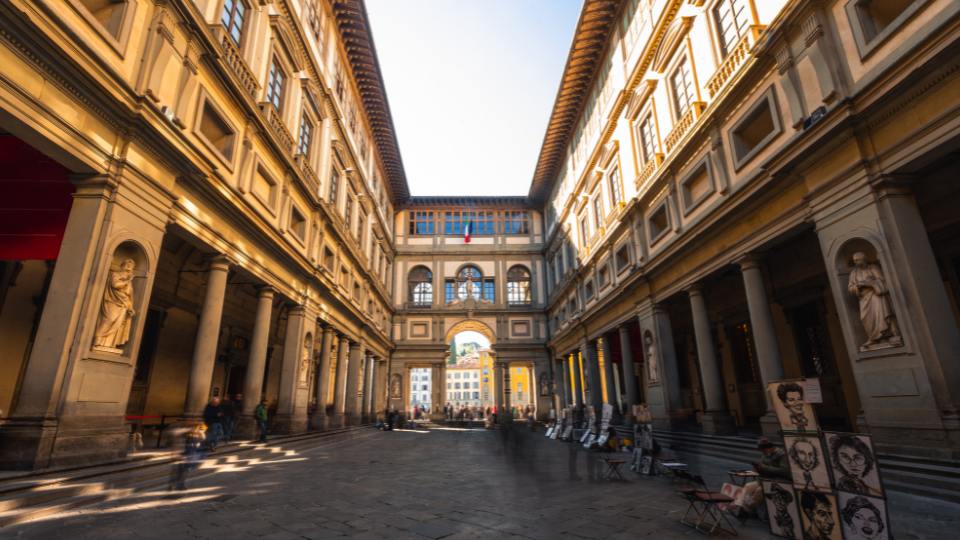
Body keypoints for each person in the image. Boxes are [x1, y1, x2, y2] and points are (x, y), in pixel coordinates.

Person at [169, 422, 206, 491]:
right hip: (181, 453)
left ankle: (180, 485)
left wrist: (199, 433)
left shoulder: (198, 430)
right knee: (178, 469)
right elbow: (175, 434)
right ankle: (173, 484)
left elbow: (203, 438)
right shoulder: (185, 431)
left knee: (184, 470)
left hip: (189, 454)